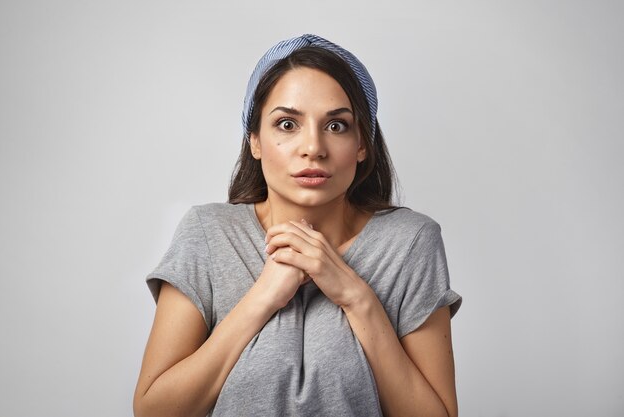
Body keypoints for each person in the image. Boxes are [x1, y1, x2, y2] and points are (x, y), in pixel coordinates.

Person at [133, 34, 462, 417]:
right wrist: (263, 297)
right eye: (287, 124)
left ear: (362, 144)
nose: (313, 147)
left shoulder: (410, 242)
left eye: (336, 126)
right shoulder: (208, 233)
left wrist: (357, 297)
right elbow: (153, 411)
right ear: (254, 139)